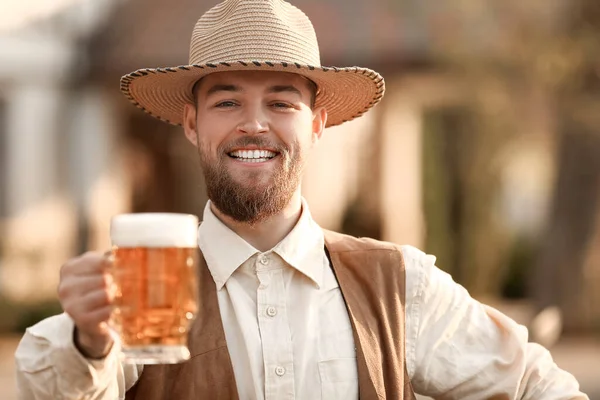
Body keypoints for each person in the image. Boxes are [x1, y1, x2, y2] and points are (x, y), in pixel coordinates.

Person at [15, 0, 588, 399]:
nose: (254, 125)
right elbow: (56, 389)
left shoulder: (400, 285)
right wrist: (88, 339)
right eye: (226, 102)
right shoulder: (142, 290)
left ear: (317, 124)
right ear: (191, 124)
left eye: (282, 103)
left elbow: (537, 386)